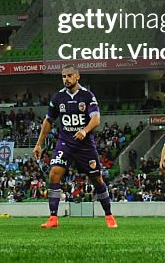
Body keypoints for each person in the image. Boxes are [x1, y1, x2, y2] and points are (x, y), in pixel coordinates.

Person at [32, 65, 117, 229]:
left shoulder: (87, 96)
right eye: (63, 76)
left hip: (84, 146)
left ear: (77, 76)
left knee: (97, 179)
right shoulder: (58, 98)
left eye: (69, 75)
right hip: (65, 143)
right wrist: (38, 144)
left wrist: (85, 131)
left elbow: (96, 118)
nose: (66, 79)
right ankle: (53, 218)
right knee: (54, 174)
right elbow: (48, 120)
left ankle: (109, 215)